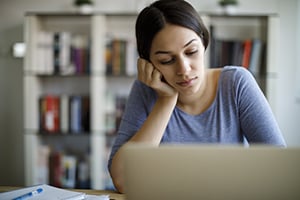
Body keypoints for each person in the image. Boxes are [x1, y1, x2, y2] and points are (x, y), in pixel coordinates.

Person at [108, 0, 286, 193]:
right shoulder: (145, 90)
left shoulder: (236, 84)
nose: (184, 69)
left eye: (191, 51)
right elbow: (123, 181)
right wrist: (166, 101)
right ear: (149, 63)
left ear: (204, 42)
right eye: (166, 60)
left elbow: (280, 170)